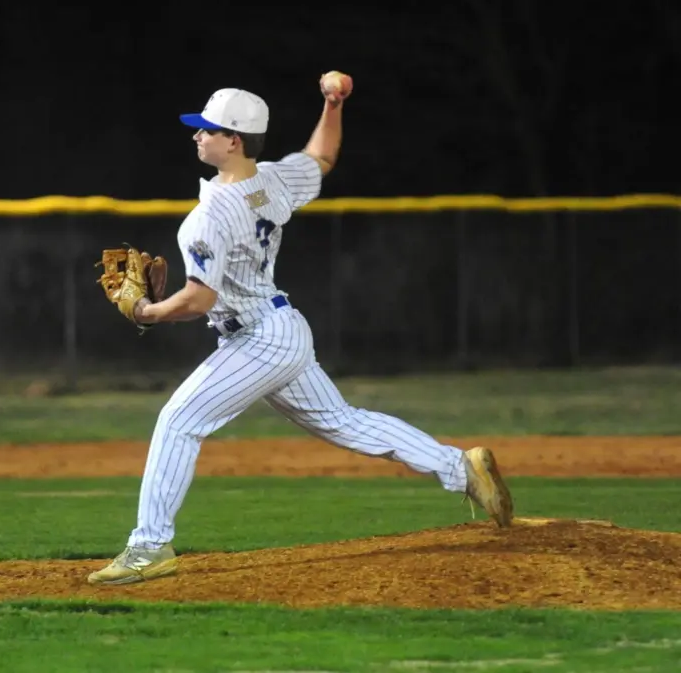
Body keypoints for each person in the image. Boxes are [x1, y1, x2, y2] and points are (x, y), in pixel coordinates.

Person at [87, 74, 513, 586]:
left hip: (259, 339)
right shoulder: (272, 181)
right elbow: (322, 157)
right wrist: (333, 104)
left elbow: (199, 301)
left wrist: (145, 313)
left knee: (178, 421)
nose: (197, 135)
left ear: (234, 140)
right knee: (343, 422)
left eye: (207, 129)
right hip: (281, 328)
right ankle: (460, 468)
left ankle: (148, 547)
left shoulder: (208, 216)